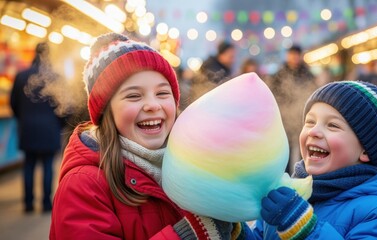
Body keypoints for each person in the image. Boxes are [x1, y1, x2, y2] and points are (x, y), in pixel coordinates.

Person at [49, 33, 252, 240]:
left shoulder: (196, 163)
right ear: (106, 110)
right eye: (134, 96)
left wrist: (249, 230)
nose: (153, 105)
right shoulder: (83, 185)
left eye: (162, 93)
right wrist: (190, 234)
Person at [254, 81, 377, 239]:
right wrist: (235, 232)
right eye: (310, 122)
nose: (314, 131)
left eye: (333, 125)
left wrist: (303, 228)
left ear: (365, 150)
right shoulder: (287, 193)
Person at [10, 42, 65, 213]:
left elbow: (13, 103)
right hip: (50, 129)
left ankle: (28, 203)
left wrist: (24, 119)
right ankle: (46, 203)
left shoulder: (21, 76)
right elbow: (65, 107)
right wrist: (59, 124)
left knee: (29, 165)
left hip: (28, 129)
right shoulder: (56, 77)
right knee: (48, 166)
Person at [269, 44, 317, 174]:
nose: (294, 57)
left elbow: (313, 93)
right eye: (292, 54)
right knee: (285, 149)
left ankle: (306, 174)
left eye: (297, 54)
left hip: (303, 117)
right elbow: (273, 94)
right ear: (288, 55)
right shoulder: (280, 74)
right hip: (285, 118)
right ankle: (284, 175)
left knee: (306, 147)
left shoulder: (307, 74)